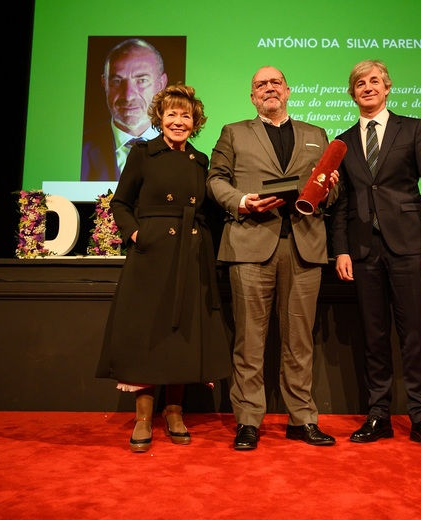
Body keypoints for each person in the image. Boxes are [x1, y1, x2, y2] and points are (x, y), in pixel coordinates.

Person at [207, 66, 338, 450]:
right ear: (252, 97)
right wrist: (243, 202)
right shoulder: (233, 132)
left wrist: (329, 188)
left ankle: (302, 419)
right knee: (249, 340)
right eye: (260, 84)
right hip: (250, 243)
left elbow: (333, 185)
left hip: (304, 244)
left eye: (275, 83)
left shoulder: (316, 135)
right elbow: (215, 180)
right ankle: (248, 421)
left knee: (300, 341)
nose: (268, 88)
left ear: (288, 91)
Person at [96, 84, 231, 452]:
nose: (178, 121)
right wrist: (137, 233)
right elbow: (120, 203)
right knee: (149, 333)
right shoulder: (143, 153)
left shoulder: (201, 161)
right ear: (159, 118)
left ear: (195, 122)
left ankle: (174, 412)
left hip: (190, 253)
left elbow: (206, 209)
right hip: (151, 256)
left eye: (185, 115)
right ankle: (143, 417)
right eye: (171, 114)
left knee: (181, 334)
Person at [331, 59, 421, 451]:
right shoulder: (344, 141)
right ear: (352, 93)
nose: (367, 87)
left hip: (409, 249)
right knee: (374, 336)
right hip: (364, 252)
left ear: (387, 88)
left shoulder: (412, 128)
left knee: (414, 334)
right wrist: (342, 250)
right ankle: (378, 414)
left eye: (374, 81)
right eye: (359, 83)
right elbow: (343, 203)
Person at [81, 38, 168, 181]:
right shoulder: (82, 147)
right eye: (117, 81)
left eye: (141, 81)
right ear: (105, 83)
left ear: (161, 83)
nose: (128, 96)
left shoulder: (183, 149)